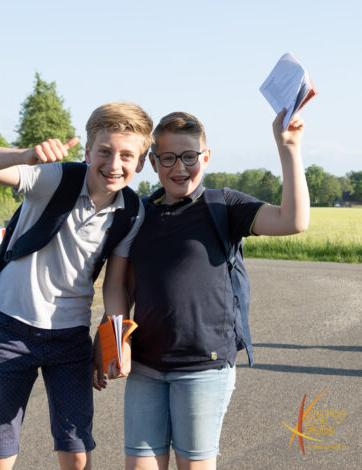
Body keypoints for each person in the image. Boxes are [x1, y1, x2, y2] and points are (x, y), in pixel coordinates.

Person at [98, 108, 310, 470]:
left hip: (203, 368)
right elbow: (117, 285)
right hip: (146, 367)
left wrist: (289, 147)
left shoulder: (224, 206)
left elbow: (293, 220)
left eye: (189, 156)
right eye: (168, 158)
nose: (179, 167)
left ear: (206, 157)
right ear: (154, 162)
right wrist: (115, 340)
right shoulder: (138, 214)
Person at [0, 102, 153, 470]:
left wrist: (114, 340)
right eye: (104, 151)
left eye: (127, 155)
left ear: (140, 163)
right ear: (87, 151)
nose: (114, 164)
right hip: (12, 329)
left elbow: (114, 285)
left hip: (70, 338)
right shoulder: (53, 178)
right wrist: (25, 156)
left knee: (76, 451)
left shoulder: (132, 212)